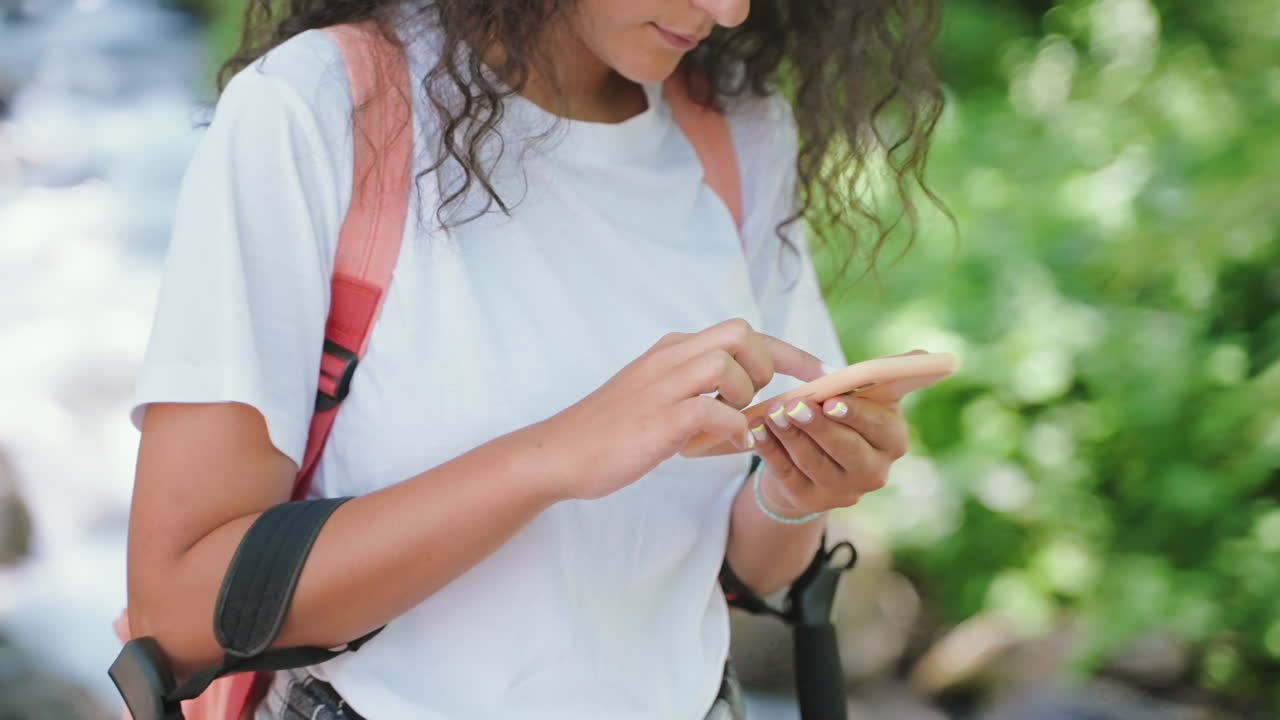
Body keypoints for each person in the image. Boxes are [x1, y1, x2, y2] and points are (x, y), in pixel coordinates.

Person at [124, 1, 943, 718]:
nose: (728, 11)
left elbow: (747, 574)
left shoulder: (737, 129)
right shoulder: (318, 106)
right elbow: (180, 610)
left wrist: (798, 492)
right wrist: (554, 457)